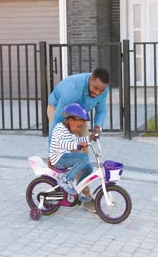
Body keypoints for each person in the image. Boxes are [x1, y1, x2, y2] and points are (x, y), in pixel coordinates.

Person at [47, 68, 110, 213]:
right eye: (95, 88)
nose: (97, 93)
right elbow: (57, 121)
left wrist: (98, 127)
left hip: (80, 114)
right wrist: (51, 153)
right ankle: (67, 186)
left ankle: (82, 194)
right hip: (59, 111)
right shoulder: (72, 89)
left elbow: (101, 111)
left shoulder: (102, 90)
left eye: (101, 91)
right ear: (90, 80)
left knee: (83, 154)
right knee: (68, 150)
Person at [49, 103, 97, 202]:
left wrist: (89, 138)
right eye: (79, 126)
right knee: (84, 157)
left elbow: (77, 140)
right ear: (71, 121)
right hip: (58, 159)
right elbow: (62, 143)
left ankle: (77, 192)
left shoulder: (69, 131)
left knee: (88, 168)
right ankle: (66, 180)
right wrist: (78, 146)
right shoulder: (59, 128)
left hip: (64, 157)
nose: (79, 129)